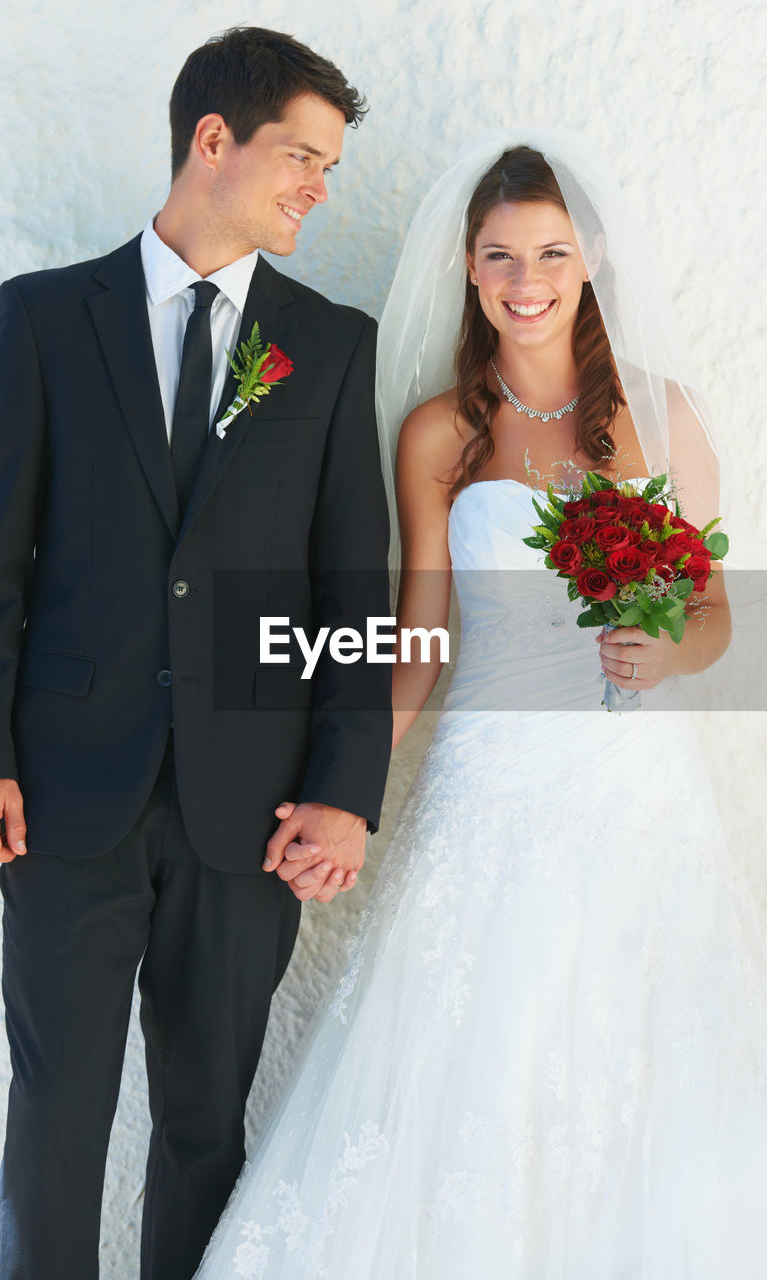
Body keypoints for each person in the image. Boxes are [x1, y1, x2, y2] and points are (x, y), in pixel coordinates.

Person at [195, 132, 767, 1277]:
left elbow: (711, 612)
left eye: (551, 251)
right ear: (468, 265)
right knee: (482, 1070)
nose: (527, 281)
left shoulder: (663, 413)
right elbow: (419, 640)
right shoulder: (434, 434)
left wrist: (663, 652)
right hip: (489, 792)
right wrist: (338, 788)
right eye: (500, 255)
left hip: (637, 799)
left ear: (590, 256)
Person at [0, 26, 391, 1280]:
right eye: (302, 154)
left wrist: (348, 789)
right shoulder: (43, 319)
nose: (316, 184)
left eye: (330, 167)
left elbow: (348, 594)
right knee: (57, 1115)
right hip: (65, 799)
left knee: (203, 1129)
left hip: (251, 813)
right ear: (212, 140)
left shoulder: (327, 344)